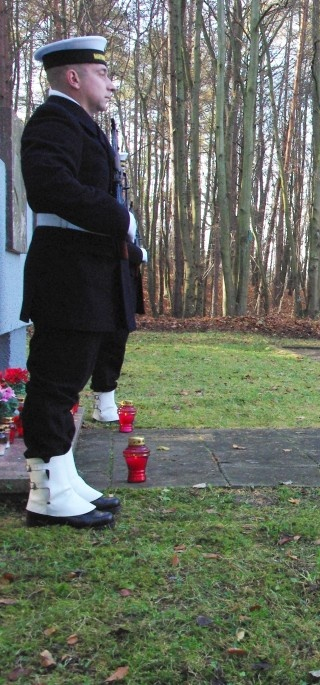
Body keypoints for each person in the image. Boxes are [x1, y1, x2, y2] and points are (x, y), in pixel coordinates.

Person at [19, 36, 134, 528]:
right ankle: (45, 496)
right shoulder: (54, 121)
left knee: (70, 381)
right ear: (73, 77)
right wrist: (119, 217)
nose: (110, 83)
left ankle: (63, 479)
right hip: (67, 276)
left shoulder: (81, 125)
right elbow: (51, 185)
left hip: (86, 276)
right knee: (53, 383)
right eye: (102, 73)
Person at [90, 239, 146, 422]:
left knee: (116, 340)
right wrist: (139, 254)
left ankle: (105, 402)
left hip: (123, 278)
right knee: (95, 342)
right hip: (102, 278)